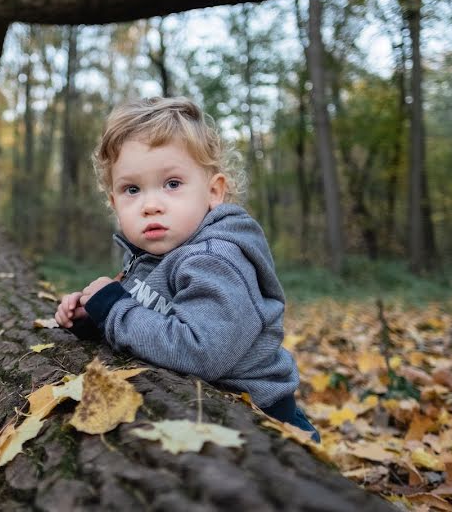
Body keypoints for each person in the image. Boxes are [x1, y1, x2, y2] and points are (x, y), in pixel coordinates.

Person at [54, 96, 319, 441]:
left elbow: (200, 352)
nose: (151, 205)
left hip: (265, 422)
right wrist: (95, 317)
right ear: (114, 202)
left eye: (172, 184)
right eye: (131, 189)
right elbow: (150, 321)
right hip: (201, 408)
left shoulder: (216, 258)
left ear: (213, 192)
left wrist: (115, 309)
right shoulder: (152, 253)